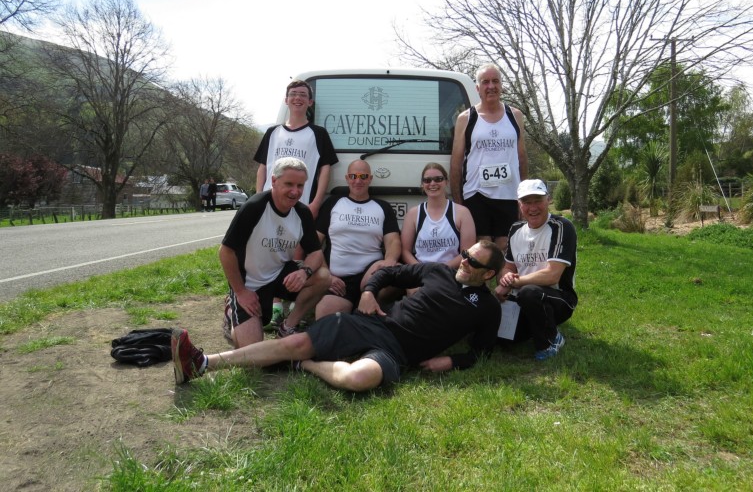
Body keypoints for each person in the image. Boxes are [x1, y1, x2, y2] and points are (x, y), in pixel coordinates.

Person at [172, 241, 505, 391]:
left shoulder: (488, 307)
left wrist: (451, 362)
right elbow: (388, 273)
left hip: (397, 354)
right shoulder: (437, 272)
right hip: (373, 324)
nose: (464, 261)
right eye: (465, 254)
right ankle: (202, 363)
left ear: (488, 274)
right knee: (295, 342)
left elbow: (483, 352)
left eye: (473, 262)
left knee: (358, 380)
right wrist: (369, 291)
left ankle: (305, 366)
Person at [220, 157, 331, 348]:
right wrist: (241, 292)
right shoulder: (254, 207)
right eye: (289, 184)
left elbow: (315, 253)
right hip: (250, 283)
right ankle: (232, 310)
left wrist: (304, 273)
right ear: (273, 181)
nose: (295, 191)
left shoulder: (302, 213)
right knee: (251, 352)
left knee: (323, 276)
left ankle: (288, 326)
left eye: (300, 185)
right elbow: (225, 252)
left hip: (280, 275)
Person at [494, 179, 578, 360]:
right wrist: (505, 279)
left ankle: (550, 341)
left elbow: (552, 275)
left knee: (529, 292)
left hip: (558, 298)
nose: (533, 207)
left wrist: (514, 282)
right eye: (527, 202)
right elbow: (508, 267)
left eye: (538, 200)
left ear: (548, 200)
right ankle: (535, 326)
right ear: (519, 204)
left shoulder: (562, 226)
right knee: (501, 340)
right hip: (521, 297)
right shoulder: (516, 229)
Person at [450, 63, 528, 250]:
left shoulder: (515, 116)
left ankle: (503, 272)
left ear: (501, 85)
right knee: (482, 248)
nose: (491, 86)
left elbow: (522, 159)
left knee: (505, 246)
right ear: (477, 88)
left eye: (495, 81)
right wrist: (458, 203)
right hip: (476, 193)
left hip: (508, 193)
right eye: (485, 82)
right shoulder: (466, 118)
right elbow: (456, 163)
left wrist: (524, 196)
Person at [314, 159, 401, 319]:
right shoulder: (333, 203)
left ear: (370, 179)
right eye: (353, 176)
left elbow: (393, 241)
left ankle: (376, 307)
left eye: (363, 176)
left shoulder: (383, 207)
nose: (358, 181)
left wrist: (389, 261)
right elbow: (315, 242)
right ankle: (357, 309)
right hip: (339, 281)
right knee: (324, 319)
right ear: (347, 178)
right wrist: (326, 275)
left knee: (399, 273)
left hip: (372, 276)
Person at [254, 79, 338, 218]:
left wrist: (315, 204)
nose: (298, 97)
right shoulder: (272, 132)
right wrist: (258, 198)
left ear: (310, 102)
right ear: (286, 100)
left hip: (302, 204)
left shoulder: (319, 134)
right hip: (269, 203)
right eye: (293, 94)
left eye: (303, 95)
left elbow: (325, 170)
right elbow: (263, 167)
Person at [401, 163, 476, 270]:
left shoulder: (462, 213)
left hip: (450, 272)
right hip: (421, 273)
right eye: (427, 180)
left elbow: (468, 252)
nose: (432, 183)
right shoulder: (413, 214)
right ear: (422, 184)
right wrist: (421, 270)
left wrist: (441, 269)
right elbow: (405, 251)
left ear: (446, 182)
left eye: (438, 179)